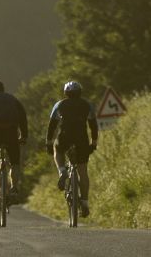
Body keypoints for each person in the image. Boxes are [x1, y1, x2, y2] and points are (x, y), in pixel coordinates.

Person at [45, 80, 98, 218]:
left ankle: (62, 171)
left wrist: (49, 142)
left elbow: (52, 125)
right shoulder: (87, 105)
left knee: (58, 150)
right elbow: (93, 125)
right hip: (81, 139)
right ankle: (85, 203)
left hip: (65, 137)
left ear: (66, 93)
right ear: (80, 92)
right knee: (82, 171)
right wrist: (94, 143)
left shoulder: (59, 104)